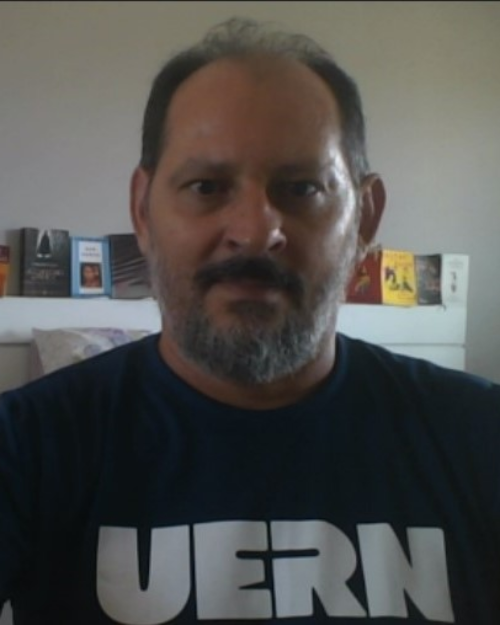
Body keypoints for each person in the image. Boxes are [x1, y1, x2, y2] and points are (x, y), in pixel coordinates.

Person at [0, 17, 499, 625]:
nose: (256, 231)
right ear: (143, 211)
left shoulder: (480, 435)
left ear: (365, 219)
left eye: (302, 188)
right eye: (207, 186)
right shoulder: (26, 447)